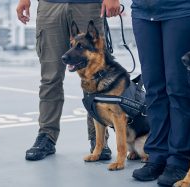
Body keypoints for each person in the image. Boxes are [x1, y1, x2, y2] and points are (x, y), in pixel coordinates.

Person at [130, 0, 190, 186]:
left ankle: (180, 159)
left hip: (182, 11)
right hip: (143, 12)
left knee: (178, 87)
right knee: (153, 87)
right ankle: (157, 155)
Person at [16, 0, 121, 161]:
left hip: (88, 5)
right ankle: (47, 135)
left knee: (95, 76)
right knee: (50, 77)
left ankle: (98, 140)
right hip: (50, 6)